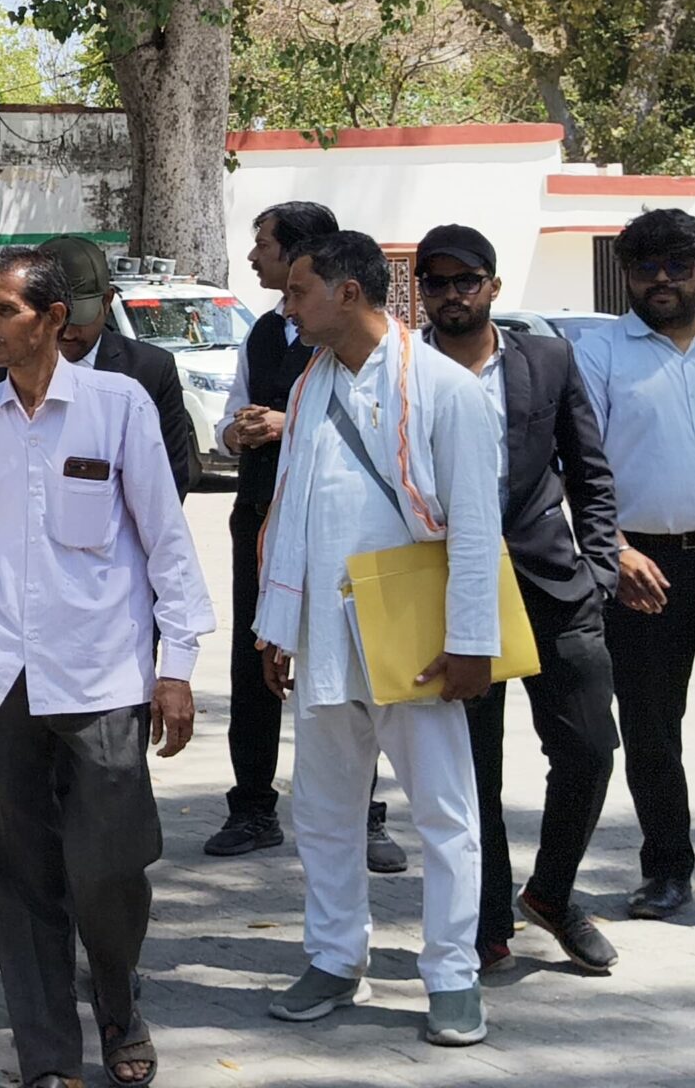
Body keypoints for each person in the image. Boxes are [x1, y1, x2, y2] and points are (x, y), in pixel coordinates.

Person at [0, 247, 212, 1088]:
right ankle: (48, 1055)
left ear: (53, 319)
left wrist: (177, 666)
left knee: (110, 867)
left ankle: (118, 1000)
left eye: (2, 310)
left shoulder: (118, 408)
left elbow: (167, 542)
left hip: (104, 679)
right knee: (17, 879)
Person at [254, 230, 497, 1049]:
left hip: (415, 638)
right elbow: (294, 510)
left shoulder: (444, 388)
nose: (287, 308)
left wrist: (471, 642)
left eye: (298, 291)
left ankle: (453, 974)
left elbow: (475, 528)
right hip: (323, 632)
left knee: (444, 814)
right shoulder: (311, 385)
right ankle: (333, 957)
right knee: (325, 812)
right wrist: (277, 627)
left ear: (349, 293)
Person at [414, 225, 621, 975]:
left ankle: (553, 895)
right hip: (446, 593)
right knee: (474, 769)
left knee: (590, 750)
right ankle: (487, 919)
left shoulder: (548, 359)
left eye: (465, 280)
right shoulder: (403, 370)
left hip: (553, 586)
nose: (451, 295)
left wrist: (600, 570)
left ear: (493, 287)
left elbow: (590, 472)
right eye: (436, 282)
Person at [574, 206, 695, 923]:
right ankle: (666, 871)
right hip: (640, 571)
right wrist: (616, 550)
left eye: (677, 266)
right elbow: (580, 469)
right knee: (653, 730)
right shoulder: (597, 354)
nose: (661, 280)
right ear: (626, 273)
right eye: (645, 267)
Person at [208, 201, 403, 873]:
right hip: (264, 519)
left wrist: (286, 424)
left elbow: (380, 424)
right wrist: (238, 432)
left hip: (345, 532)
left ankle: (364, 813)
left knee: (354, 664)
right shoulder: (263, 332)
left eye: (264, 246)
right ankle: (252, 806)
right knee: (255, 659)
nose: (253, 258)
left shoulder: (370, 344)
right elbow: (226, 421)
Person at [0, 236, 197, 497]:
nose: (66, 333)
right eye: (55, 321)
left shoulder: (149, 371)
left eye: (79, 318)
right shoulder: (0, 371)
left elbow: (168, 484)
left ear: (107, 301)